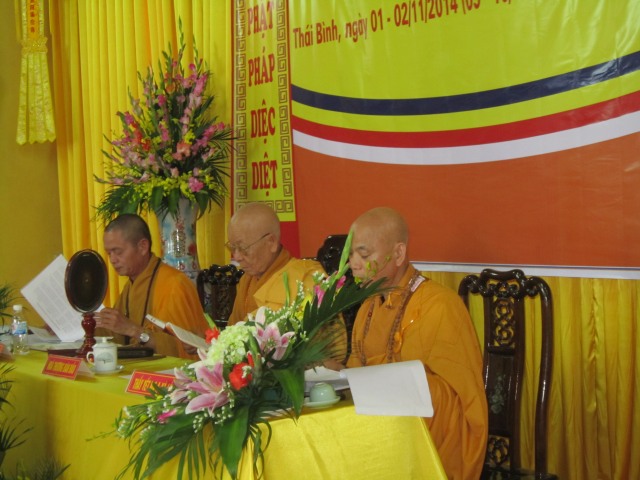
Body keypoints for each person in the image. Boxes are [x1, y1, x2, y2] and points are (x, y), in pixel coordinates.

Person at [345, 207, 488, 480]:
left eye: (364, 254)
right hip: (377, 430)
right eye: (351, 254)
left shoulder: (439, 305)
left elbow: (460, 403)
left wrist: (395, 383)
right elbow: (355, 370)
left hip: (428, 439)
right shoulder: (368, 308)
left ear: (399, 253)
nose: (354, 264)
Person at [226, 203, 346, 361]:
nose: (237, 257)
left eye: (243, 248)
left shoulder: (307, 278)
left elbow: (326, 347)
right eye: (232, 248)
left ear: (271, 242)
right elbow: (233, 332)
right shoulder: (246, 281)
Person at [94, 214, 207, 359]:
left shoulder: (173, 284)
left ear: (143, 247)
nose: (112, 260)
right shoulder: (131, 285)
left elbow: (182, 349)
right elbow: (117, 334)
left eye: (118, 252)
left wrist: (134, 330)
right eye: (109, 253)